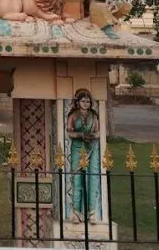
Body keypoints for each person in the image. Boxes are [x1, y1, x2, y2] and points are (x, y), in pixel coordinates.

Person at [67, 88, 101, 223]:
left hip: (91, 148)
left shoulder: (94, 116)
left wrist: (92, 136)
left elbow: (99, 133)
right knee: (77, 179)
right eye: (83, 101)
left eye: (88, 101)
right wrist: (81, 135)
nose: (86, 104)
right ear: (78, 102)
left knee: (91, 178)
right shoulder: (73, 116)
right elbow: (69, 133)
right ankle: (76, 213)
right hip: (77, 148)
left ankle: (91, 213)